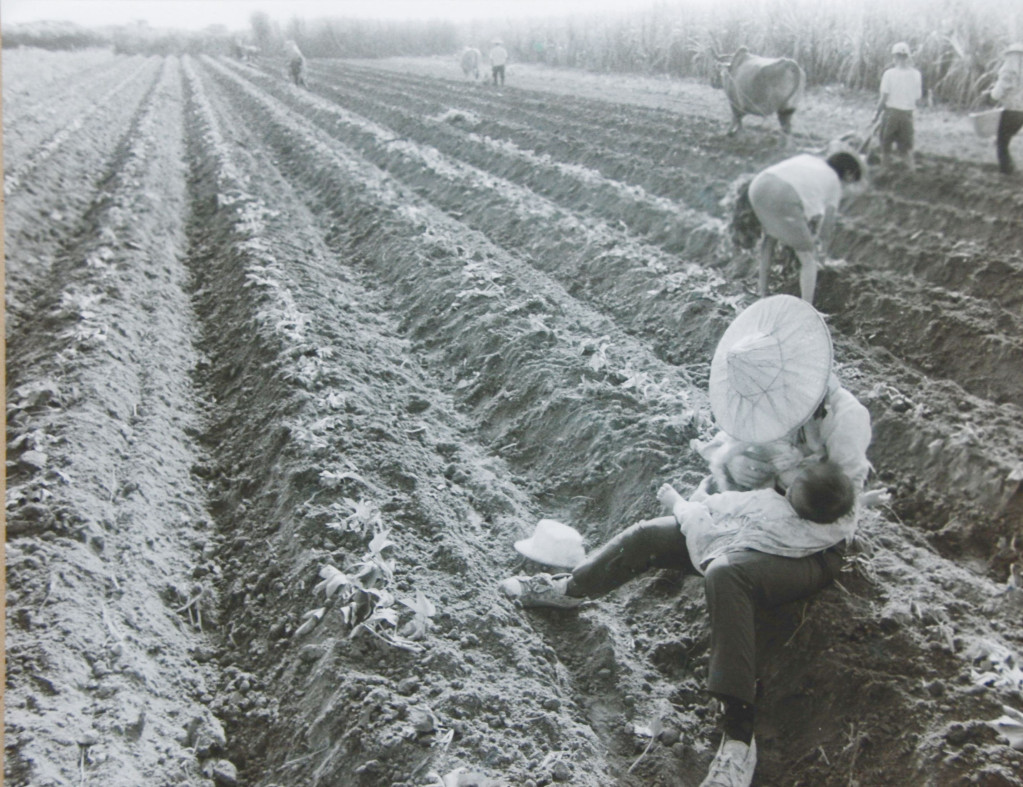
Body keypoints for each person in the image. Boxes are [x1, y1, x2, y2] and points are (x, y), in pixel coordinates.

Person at [500, 295, 874, 787]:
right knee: (650, 535)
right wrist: (733, 476)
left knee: (726, 574)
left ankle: (740, 738)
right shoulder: (764, 411)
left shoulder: (845, 417)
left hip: (812, 544)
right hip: (750, 518)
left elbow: (837, 506)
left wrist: (781, 482)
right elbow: (732, 474)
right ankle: (570, 589)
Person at [742, 147, 864, 304]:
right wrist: (821, 254)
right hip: (783, 195)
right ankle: (807, 307)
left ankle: (762, 294)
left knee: (770, 237)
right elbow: (827, 226)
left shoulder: (809, 158)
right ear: (848, 174)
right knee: (808, 257)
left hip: (759, 185)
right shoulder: (834, 183)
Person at [874, 42, 923, 171]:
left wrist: (876, 115)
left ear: (894, 57)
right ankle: (912, 173)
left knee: (886, 147)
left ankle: (884, 173)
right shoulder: (916, 74)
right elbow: (917, 97)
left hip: (891, 114)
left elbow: (883, 98)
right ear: (907, 57)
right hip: (907, 115)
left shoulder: (889, 74)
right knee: (906, 149)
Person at [989, 42, 1023, 176]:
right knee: (1006, 138)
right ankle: (1011, 166)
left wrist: (992, 93)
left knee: (1001, 141)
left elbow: (997, 93)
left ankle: (1006, 170)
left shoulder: (1008, 72)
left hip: (1011, 111)